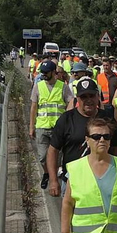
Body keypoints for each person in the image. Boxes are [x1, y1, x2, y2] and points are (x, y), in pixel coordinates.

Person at [45, 77, 115, 199]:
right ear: (77, 99)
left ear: (98, 97)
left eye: (91, 96)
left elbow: (115, 148)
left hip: (103, 181)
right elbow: (53, 150)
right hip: (72, 182)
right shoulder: (66, 119)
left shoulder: (107, 119)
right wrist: (53, 180)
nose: (88, 100)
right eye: (84, 97)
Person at [31, 60, 70, 190]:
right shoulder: (38, 86)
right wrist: (31, 126)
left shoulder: (63, 87)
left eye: (46, 72)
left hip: (58, 128)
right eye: (42, 72)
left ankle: (54, 176)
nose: (43, 74)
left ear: (54, 72)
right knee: (42, 157)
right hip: (42, 126)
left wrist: (68, 121)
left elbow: (70, 103)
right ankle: (47, 173)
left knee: (57, 157)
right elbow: (34, 107)